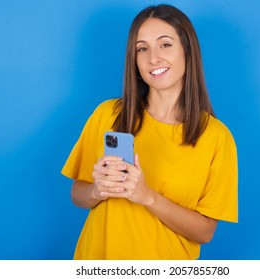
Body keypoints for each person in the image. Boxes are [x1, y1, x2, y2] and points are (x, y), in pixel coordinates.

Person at [61, 4, 238, 260]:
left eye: (165, 44)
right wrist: (97, 191)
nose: (153, 58)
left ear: (188, 50)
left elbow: (205, 232)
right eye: (142, 48)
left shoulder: (215, 137)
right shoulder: (109, 115)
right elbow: (78, 193)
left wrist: (147, 197)